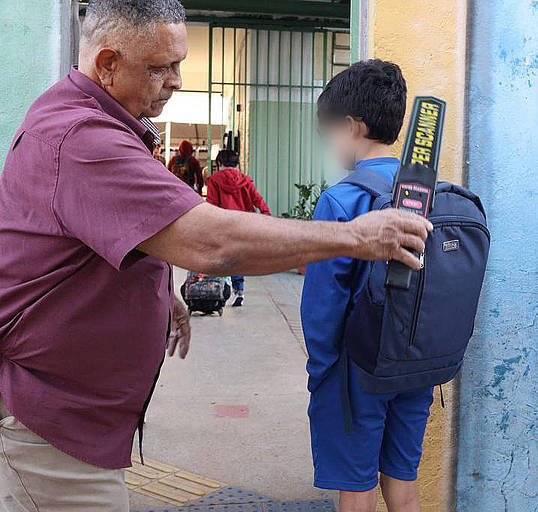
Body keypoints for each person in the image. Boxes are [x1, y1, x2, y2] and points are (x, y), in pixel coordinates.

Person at [0, 2, 431, 510]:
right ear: (108, 63)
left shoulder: (102, 126)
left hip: (80, 419)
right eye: (161, 67)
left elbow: (126, 229)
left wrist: (160, 291)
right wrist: (357, 238)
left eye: (179, 63)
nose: (177, 81)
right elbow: (212, 242)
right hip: (51, 425)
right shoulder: (82, 139)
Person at [301, 59, 430, 512]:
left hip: (356, 371)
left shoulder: (342, 199)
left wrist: (321, 372)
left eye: (329, 133)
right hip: (416, 365)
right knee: (402, 481)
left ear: (352, 127)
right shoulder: (429, 194)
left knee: (356, 487)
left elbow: (323, 304)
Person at [206, 150, 271, 306]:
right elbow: (257, 199)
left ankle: (223, 287)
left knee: (223, 256)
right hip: (243, 223)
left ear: (219, 164)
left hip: (224, 223)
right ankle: (239, 291)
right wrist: (266, 215)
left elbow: (212, 203)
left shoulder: (214, 180)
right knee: (238, 256)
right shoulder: (245, 180)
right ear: (236, 164)